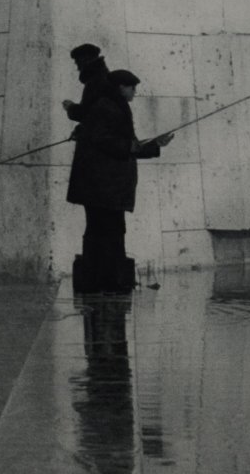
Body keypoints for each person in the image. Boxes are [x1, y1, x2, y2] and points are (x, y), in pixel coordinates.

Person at [63, 44, 173, 293]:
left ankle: (104, 279)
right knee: (107, 229)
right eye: (132, 87)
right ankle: (107, 281)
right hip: (104, 185)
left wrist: (154, 145)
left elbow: (116, 141)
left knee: (103, 228)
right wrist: (139, 147)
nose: (135, 92)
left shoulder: (105, 97)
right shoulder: (109, 104)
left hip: (102, 184)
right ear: (121, 87)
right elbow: (109, 141)